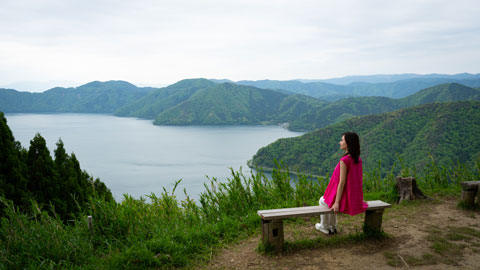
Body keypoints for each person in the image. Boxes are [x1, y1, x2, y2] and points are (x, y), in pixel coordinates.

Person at [315, 132, 368, 234]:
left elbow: (342, 182)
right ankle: (333, 226)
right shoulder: (357, 159)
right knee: (327, 201)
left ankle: (324, 227)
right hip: (352, 196)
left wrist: (337, 202)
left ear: (347, 143)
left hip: (345, 198)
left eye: (342, 140)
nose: (340, 142)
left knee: (323, 201)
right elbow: (356, 180)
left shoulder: (344, 160)